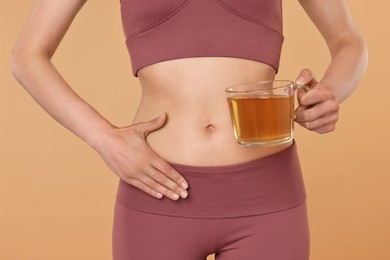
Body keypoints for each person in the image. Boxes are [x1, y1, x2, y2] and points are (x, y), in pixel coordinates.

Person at [11, 0, 368, 259]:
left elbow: (348, 41)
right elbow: (27, 54)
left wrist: (329, 93)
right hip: (157, 192)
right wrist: (102, 138)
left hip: (268, 196)